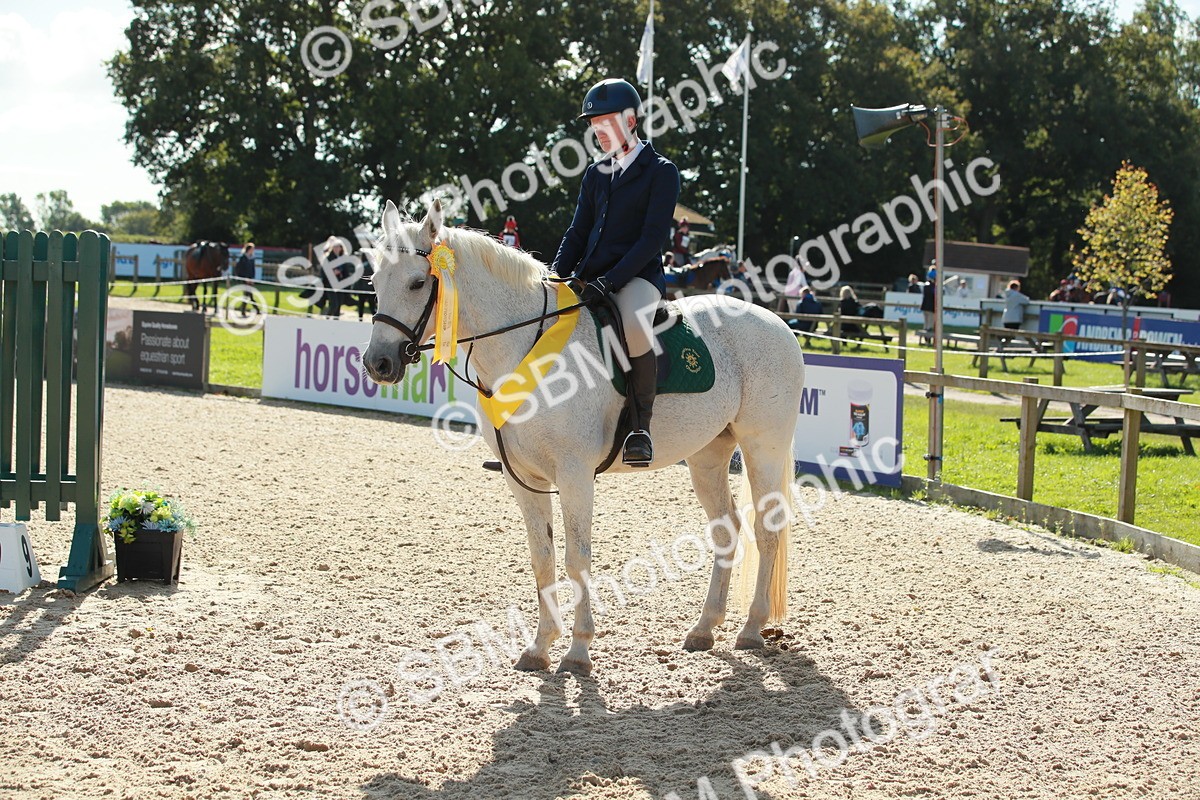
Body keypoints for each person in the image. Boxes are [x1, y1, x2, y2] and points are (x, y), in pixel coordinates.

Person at [551, 78, 680, 467]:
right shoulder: (594, 174)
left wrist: (612, 281)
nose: (599, 132)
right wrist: (556, 276)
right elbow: (577, 233)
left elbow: (652, 239)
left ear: (632, 120)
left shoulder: (661, 171)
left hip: (637, 277)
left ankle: (640, 427)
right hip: (590, 277)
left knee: (634, 323)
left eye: (606, 122)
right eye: (594, 124)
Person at [920, 265, 937, 343]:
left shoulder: (925, 286)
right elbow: (934, 296)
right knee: (929, 324)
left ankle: (926, 338)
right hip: (930, 307)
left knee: (926, 323)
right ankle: (928, 339)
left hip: (924, 306)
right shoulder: (933, 287)